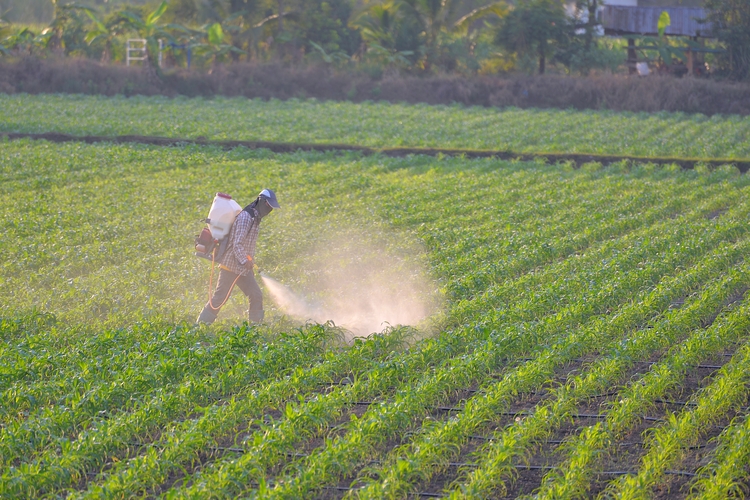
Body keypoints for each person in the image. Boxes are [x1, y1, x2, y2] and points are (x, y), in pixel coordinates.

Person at [196, 188, 280, 325]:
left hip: (241, 269)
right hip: (230, 266)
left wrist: (248, 261)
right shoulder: (246, 217)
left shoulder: (255, 218)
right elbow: (237, 244)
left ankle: (255, 328)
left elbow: (245, 245)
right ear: (261, 201)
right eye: (268, 205)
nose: (269, 209)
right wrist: (244, 260)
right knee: (219, 298)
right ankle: (199, 327)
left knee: (256, 295)